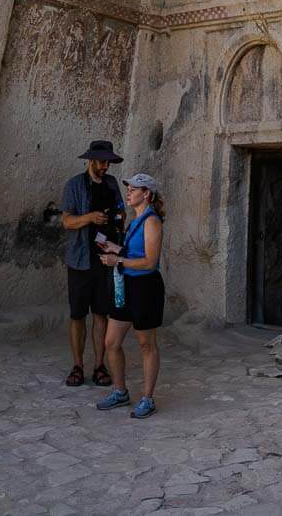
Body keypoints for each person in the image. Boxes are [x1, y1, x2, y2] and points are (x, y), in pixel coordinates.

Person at [95, 172, 166, 419]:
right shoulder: (135, 220)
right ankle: (121, 391)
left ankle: (147, 398)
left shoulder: (151, 221)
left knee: (147, 344)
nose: (129, 192)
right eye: (128, 188)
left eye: (134, 189)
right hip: (127, 286)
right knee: (111, 343)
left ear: (146, 193)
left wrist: (119, 260)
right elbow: (134, 253)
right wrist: (115, 249)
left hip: (146, 288)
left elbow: (149, 262)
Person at [60, 139, 125, 387]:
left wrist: (117, 219)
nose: (105, 166)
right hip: (80, 260)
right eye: (101, 162)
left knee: (101, 314)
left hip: (105, 259)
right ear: (91, 160)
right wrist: (89, 218)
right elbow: (67, 222)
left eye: (108, 162)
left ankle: (99, 365)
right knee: (78, 315)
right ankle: (77, 365)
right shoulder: (75, 185)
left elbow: (121, 211)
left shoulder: (111, 184)